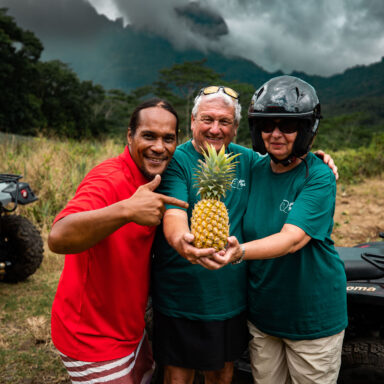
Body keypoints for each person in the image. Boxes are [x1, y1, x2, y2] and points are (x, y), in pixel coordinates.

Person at [150, 85, 339, 384]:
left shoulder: (249, 161)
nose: (215, 129)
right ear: (192, 121)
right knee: (177, 376)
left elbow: (287, 161)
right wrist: (182, 241)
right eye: (207, 119)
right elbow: (173, 214)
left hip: (232, 298)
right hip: (180, 296)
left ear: (236, 128)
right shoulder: (177, 162)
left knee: (223, 374)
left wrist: (316, 158)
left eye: (224, 122)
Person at [205, 76, 348, 384]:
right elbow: (209, 145)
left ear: (306, 130)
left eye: (288, 126)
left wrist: (238, 252)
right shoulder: (253, 167)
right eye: (267, 126)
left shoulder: (318, 177)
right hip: (264, 317)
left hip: (311, 319)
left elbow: (292, 239)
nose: (276, 134)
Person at [48, 98, 188, 384]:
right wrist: (126, 210)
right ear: (129, 135)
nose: (159, 147)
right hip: (90, 337)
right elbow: (58, 237)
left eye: (168, 138)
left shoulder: (151, 178)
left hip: (130, 331)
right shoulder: (109, 178)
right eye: (148, 136)